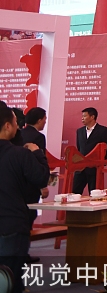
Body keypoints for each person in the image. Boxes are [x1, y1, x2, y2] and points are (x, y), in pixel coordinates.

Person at [0, 105, 49, 293]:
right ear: (7, 126)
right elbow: (42, 177)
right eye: (15, 122)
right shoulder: (19, 154)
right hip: (12, 223)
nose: (18, 126)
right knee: (11, 280)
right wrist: (37, 153)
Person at [72, 107, 107, 194]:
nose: (82, 118)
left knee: (94, 193)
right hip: (80, 168)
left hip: (95, 168)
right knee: (74, 192)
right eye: (82, 116)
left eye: (84, 116)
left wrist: (102, 162)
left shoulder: (103, 130)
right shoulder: (79, 131)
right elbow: (79, 147)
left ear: (92, 117)